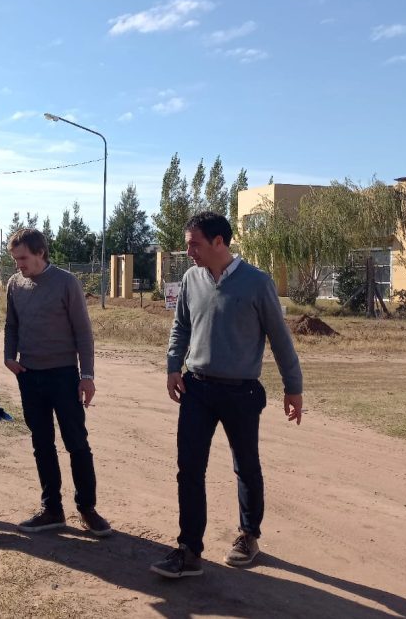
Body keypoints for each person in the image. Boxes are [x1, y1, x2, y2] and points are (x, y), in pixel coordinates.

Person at [151, 211, 303, 579]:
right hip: (197, 387)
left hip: (241, 392)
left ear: (219, 242)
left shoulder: (257, 283)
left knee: (246, 466)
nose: (189, 251)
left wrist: (293, 387)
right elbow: (181, 326)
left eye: (194, 244)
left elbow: (280, 339)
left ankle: (248, 535)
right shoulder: (191, 279)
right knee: (189, 468)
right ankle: (189, 550)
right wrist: (174, 365)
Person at [4, 228, 111, 538]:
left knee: (77, 443)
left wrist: (87, 376)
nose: (19, 265)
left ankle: (87, 509)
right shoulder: (15, 285)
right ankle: (52, 509)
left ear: (40, 253)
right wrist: (10, 356)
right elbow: (11, 325)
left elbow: (83, 332)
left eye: (23, 258)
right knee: (42, 444)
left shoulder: (67, 282)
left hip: (64, 376)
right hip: (29, 376)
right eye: (15, 259)